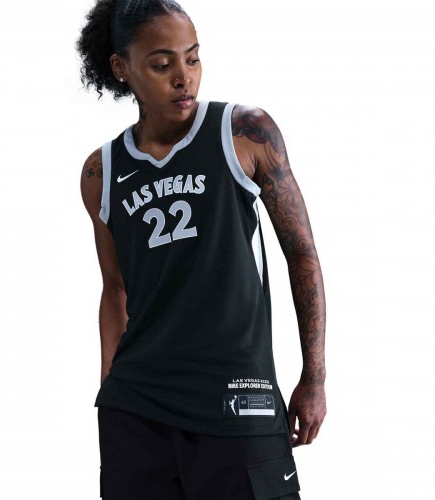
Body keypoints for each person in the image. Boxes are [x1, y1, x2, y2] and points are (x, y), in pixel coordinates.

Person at [77, 1, 326, 498]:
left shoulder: (245, 132)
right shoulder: (101, 172)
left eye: (192, 58)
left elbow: (301, 254)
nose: (183, 77)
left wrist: (314, 377)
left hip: (240, 402)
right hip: (138, 412)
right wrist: (110, 391)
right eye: (162, 64)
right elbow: (115, 289)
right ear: (122, 68)